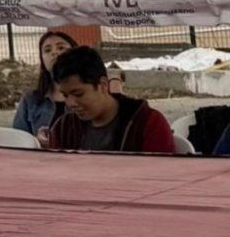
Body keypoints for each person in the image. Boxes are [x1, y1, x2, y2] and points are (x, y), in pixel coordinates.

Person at [42, 45, 178, 155]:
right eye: (65, 95)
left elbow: (160, 175)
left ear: (103, 85)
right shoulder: (63, 129)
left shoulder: (148, 123)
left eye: (78, 94)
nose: (71, 104)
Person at [11, 29, 78, 138]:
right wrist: (37, 142)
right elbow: (18, 139)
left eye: (61, 48)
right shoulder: (30, 101)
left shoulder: (89, 96)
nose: (54, 53)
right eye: (47, 50)